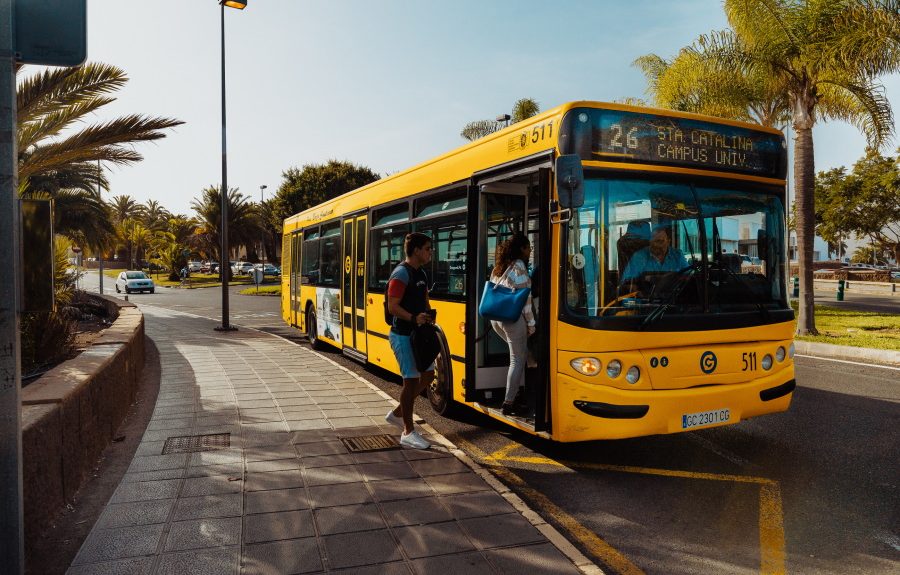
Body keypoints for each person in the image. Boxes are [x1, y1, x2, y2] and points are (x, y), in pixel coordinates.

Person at [384, 232, 436, 449]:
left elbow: (423, 299)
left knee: (428, 375)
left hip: (418, 333)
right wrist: (414, 318)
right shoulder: (401, 274)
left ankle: (397, 414)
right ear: (416, 251)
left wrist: (428, 313)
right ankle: (408, 431)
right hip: (403, 334)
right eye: (427, 248)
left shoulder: (421, 273)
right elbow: (392, 306)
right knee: (411, 381)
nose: (430, 252)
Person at [489, 233, 535, 416]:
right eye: (528, 247)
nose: (530, 250)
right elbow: (526, 299)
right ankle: (509, 402)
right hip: (512, 319)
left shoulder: (500, 267)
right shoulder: (519, 267)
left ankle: (518, 391)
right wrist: (531, 324)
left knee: (520, 356)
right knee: (517, 360)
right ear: (521, 249)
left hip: (496, 319)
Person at [621, 223, 688, 284]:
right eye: (652, 242)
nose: (656, 245)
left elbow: (689, 277)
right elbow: (627, 282)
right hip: (648, 296)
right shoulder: (639, 256)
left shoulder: (677, 255)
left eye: (660, 241)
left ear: (668, 241)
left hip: (673, 295)